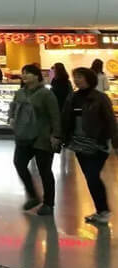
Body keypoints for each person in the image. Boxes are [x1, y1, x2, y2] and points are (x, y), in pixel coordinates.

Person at [61, 67, 118, 224]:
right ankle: (101, 211)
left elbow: (111, 121)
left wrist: (115, 142)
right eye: (75, 77)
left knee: (92, 177)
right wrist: (61, 137)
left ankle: (104, 211)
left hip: (98, 144)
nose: (77, 80)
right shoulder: (73, 97)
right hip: (79, 144)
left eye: (80, 77)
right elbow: (65, 119)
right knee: (90, 178)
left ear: (89, 79)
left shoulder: (100, 98)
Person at [8, 64, 61, 215]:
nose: (24, 76)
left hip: (42, 137)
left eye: (28, 73)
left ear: (37, 76)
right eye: (23, 73)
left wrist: (56, 135)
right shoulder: (20, 93)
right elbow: (13, 108)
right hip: (24, 136)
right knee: (19, 163)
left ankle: (48, 203)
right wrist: (11, 118)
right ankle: (33, 195)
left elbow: (55, 115)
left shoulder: (46, 94)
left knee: (44, 171)